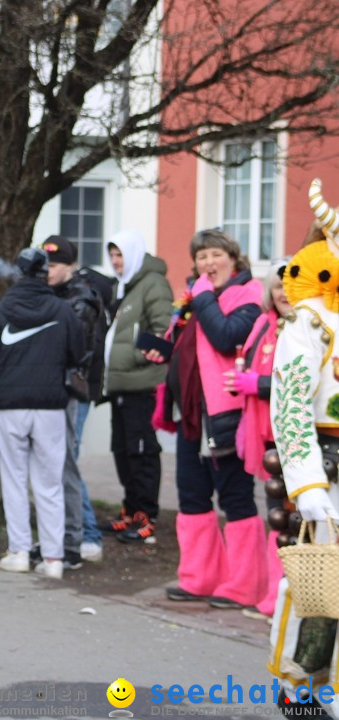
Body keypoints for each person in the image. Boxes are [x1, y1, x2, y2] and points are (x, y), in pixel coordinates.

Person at [155, 228, 265, 609]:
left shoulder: (248, 295)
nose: (207, 263)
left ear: (233, 258)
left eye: (215, 255)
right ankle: (200, 577)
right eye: (201, 257)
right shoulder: (199, 298)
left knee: (235, 496)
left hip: (227, 415)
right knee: (192, 494)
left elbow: (226, 336)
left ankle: (244, 585)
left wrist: (201, 299)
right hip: (191, 413)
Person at [268, 184, 339, 712]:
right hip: (329, 467)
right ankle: (302, 686)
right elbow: (290, 403)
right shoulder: (310, 319)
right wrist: (308, 482)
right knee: (318, 583)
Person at [0, 246, 85, 580]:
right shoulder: (62, 309)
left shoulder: (3, 308)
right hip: (51, 404)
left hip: (9, 405)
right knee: (49, 482)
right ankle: (53, 558)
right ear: (44, 272)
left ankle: (20, 552)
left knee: (14, 478)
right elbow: (78, 353)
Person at [225, 259, 290, 619]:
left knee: (291, 517)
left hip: (293, 433)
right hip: (265, 432)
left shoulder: (305, 328)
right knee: (276, 513)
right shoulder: (264, 325)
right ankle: (273, 593)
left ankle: (285, 597)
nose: (283, 293)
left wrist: (260, 386)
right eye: (277, 286)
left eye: (289, 286)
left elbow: (301, 381)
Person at [102, 230, 174, 543]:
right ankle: (130, 510)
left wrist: (128, 357)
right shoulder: (126, 285)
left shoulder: (152, 284)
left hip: (142, 385)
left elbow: (162, 333)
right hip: (120, 383)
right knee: (123, 450)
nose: (116, 262)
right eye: (113, 256)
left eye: (120, 255)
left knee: (142, 451)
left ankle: (147, 515)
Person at [42, 235, 104, 567]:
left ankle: (86, 535)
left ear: (70, 266)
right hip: (57, 389)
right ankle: (65, 534)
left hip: (74, 390)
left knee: (66, 460)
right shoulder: (57, 294)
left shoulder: (81, 299)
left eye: (55, 265)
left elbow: (74, 347)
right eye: (46, 264)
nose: (48, 271)